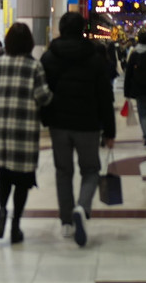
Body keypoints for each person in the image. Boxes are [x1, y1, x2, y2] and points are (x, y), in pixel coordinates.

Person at [41, 12, 116, 247]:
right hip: (88, 124)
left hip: (59, 124)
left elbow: (43, 92)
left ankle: (66, 222)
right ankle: (82, 208)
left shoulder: (49, 57)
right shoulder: (94, 57)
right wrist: (109, 130)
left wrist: (46, 119)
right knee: (91, 170)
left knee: (63, 172)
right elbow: (105, 96)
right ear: (82, 30)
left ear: (61, 29)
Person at [0, 22, 53, 245]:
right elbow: (43, 97)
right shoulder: (33, 67)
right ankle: (15, 225)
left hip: (1, 129)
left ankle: (3, 210)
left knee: (4, 171)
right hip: (24, 130)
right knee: (23, 179)